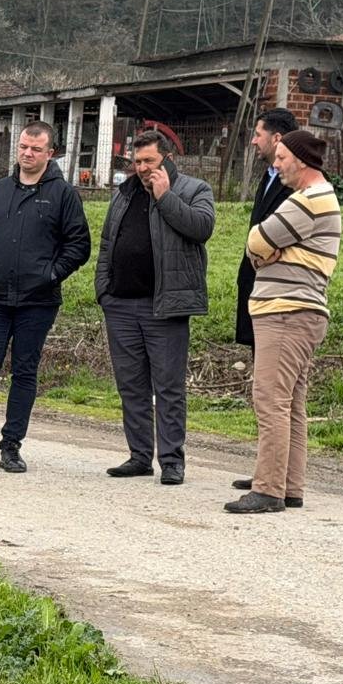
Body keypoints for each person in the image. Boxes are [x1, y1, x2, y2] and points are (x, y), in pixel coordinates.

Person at [0, 122, 91, 474]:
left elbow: (79, 245)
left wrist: (51, 274)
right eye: (24, 146)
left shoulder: (63, 195)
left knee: (25, 372)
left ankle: (11, 447)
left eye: (36, 149)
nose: (28, 153)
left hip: (38, 302)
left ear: (50, 153)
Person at [226, 129, 343, 514]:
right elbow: (264, 246)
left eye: (281, 159)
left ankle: (268, 489)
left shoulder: (308, 201)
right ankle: (289, 485)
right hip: (299, 311)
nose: (276, 166)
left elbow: (256, 240)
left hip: (285, 311)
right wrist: (268, 252)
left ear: (300, 160)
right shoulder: (319, 198)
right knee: (291, 402)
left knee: (271, 399)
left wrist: (264, 251)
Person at [95, 129, 215, 485]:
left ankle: (172, 460)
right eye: (138, 161)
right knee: (131, 386)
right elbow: (107, 243)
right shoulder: (124, 193)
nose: (143, 167)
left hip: (165, 306)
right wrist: (104, 291)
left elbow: (201, 228)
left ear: (167, 159)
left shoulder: (194, 190)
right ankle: (139, 456)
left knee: (168, 388)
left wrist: (165, 197)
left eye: (150, 160)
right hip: (121, 304)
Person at [228, 107, 298, 495]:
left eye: (258, 134)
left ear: (277, 137)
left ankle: (275, 480)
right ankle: (268, 470)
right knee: (266, 389)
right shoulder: (269, 175)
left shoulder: (295, 184)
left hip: (279, 297)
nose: (253, 140)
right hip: (258, 289)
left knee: (275, 395)